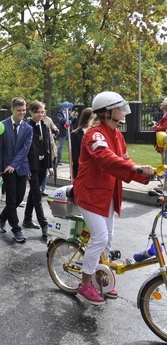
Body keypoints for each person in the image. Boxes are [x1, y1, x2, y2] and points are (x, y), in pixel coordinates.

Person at [73, 91, 154, 305]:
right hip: (90, 194)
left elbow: (125, 160)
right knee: (99, 237)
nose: (123, 110)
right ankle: (85, 284)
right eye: (120, 107)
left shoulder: (118, 134)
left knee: (107, 238)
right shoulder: (94, 134)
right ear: (108, 112)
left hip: (107, 193)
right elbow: (107, 158)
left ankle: (102, 279)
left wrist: (146, 175)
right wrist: (135, 168)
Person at [0, 97, 33, 243]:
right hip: (6, 168)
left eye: (24, 110)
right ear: (12, 110)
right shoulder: (2, 126)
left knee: (18, 198)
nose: (22, 113)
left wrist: (14, 165)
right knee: (11, 199)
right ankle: (16, 230)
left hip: (21, 167)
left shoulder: (28, 128)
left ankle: (3, 216)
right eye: (19, 110)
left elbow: (25, 150)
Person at [22, 101, 53, 237]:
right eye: (38, 112)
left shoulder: (45, 127)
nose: (41, 115)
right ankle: (44, 224)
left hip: (42, 165)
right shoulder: (27, 127)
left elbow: (47, 146)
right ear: (31, 113)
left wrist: (50, 165)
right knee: (37, 194)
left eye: (42, 112)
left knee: (34, 194)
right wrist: (26, 168)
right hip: (31, 166)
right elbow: (24, 150)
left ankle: (27, 219)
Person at [71, 108, 95, 180]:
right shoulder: (75, 134)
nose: (92, 121)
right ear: (85, 119)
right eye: (90, 119)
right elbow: (75, 156)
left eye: (94, 119)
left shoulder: (96, 134)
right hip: (81, 171)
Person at [41, 110, 59, 195]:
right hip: (40, 148)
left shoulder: (48, 120)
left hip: (48, 145)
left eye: (44, 113)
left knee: (45, 170)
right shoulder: (37, 122)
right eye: (41, 113)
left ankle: (43, 188)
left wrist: (55, 129)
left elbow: (53, 126)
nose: (43, 115)